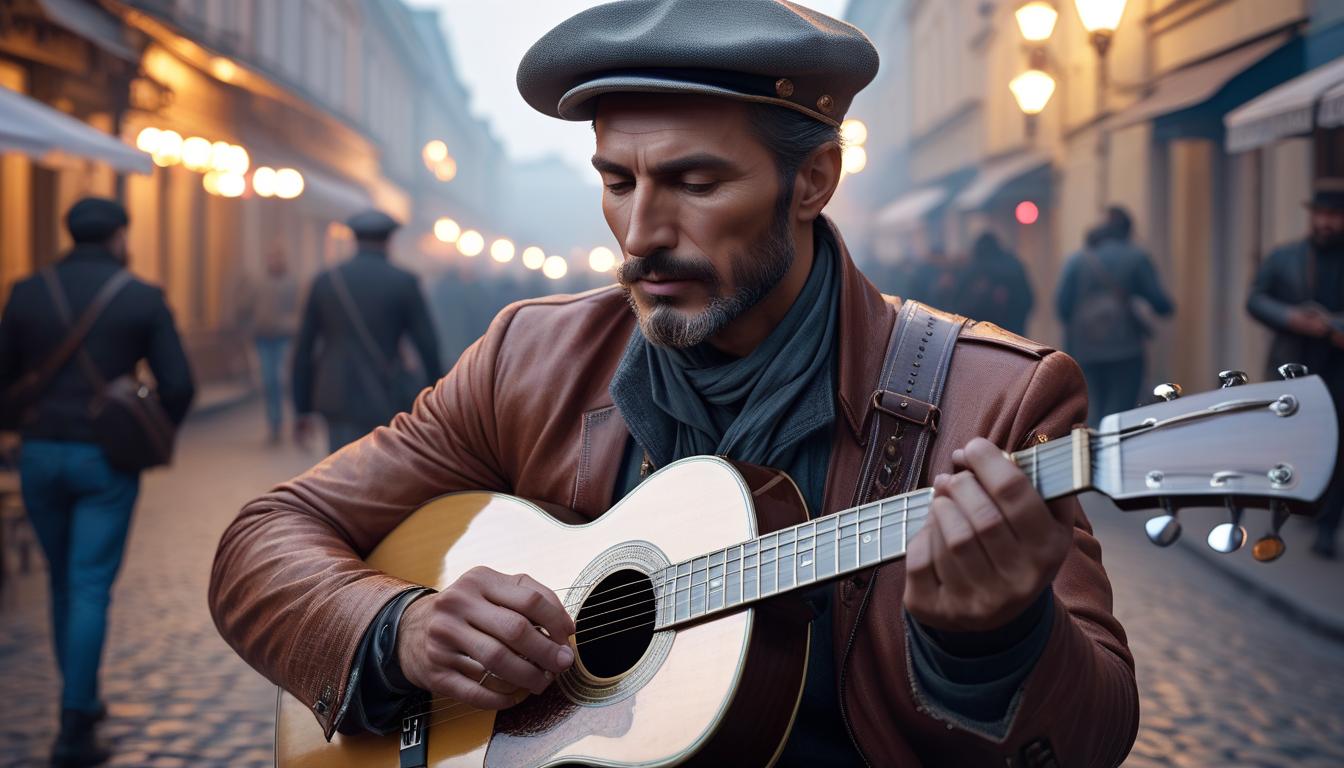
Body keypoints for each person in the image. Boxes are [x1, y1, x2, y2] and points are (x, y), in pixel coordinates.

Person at [209, 3, 1138, 765]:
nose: (640, 232)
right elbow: (263, 539)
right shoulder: (530, 358)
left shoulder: (995, 400)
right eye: (617, 180)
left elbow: (1094, 736)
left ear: (812, 179)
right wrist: (399, 628)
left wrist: (996, 640)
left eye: (694, 182)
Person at [0, 197, 194, 767]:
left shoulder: (26, 292)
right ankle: (75, 718)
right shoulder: (140, 296)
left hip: (39, 452)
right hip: (106, 459)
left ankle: (79, 698)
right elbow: (179, 385)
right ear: (119, 238)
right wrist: (150, 431)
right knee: (88, 585)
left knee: (64, 580)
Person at [1247, 178, 1344, 559]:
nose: (1326, 223)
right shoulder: (1284, 256)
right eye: (1321, 214)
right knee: (1295, 442)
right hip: (1293, 365)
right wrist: (1290, 318)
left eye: (1334, 216)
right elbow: (1255, 298)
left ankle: (1327, 527)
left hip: (1338, 368)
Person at [290, 210, 441, 453]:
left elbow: (304, 349)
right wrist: (436, 401)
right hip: (387, 390)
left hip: (337, 393)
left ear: (354, 239)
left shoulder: (326, 281)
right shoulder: (404, 281)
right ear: (389, 240)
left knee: (341, 472)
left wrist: (302, 408)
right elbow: (427, 345)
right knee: (385, 470)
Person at [1055, 207, 1174, 427]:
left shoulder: (1077, 260)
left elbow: (1062, 307)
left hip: (1085, 350)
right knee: (1120, 414)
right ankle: (1114, 456)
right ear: (1128, 230)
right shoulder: (1136, 258)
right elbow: (1161, 304)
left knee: (1091, 409)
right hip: (1126, 350)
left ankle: (1090, 456)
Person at [236, 244, 300, 444]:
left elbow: (300, 309)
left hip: (284, 336)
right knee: (269, 380)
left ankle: (294, 421)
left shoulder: (292, 283)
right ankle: (275, 424)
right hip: (263, 337)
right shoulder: (257, 283)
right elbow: (244, 307)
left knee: (283, 380)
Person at [953, 231, 1034, 335]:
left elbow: (958, 307)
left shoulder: (971, 269)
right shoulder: (1013, 266)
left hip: (980, 338)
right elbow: (1028, 300)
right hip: (1012, 337)